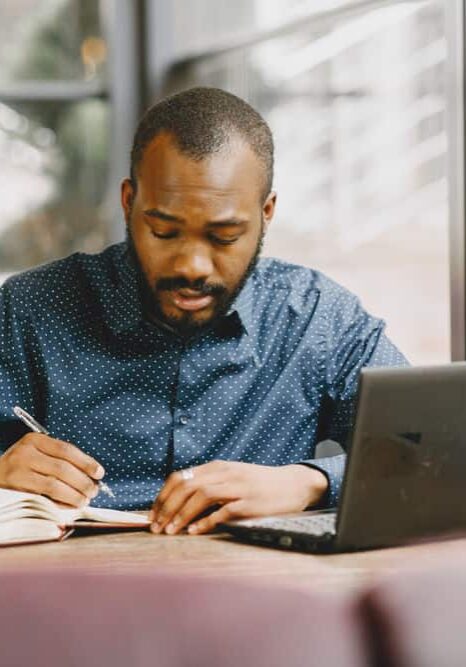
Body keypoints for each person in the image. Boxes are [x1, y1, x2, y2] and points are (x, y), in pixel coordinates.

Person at [0, 87, 407, 535]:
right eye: (164, 232)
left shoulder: (319, 320)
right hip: (71, 591)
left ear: (266, 213)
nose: (192, 266)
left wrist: (311, 481)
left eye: (224, 237)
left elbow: (436, 448)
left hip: (265, 593)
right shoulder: (29, 310)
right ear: (128, 203)